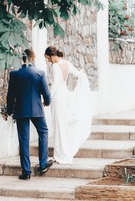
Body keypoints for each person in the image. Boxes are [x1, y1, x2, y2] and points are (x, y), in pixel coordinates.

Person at [6, 49, 53, 180]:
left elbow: (11, 96)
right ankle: (43, 163)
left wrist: (10, 110)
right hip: (37, 110)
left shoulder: (15, 74)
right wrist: (47, 102)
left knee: (23, 139)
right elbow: (47, 94)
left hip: (20, 111)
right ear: (33, 58)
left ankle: (26, 171)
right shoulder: (39, 73)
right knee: (43, 132)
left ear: (22, 59)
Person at [44, 46, 92, 164]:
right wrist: (82, 73)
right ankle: (64, 152)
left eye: (48, 58)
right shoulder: (67, 63)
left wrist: (47, 98)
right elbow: (78, 75)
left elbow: (55, 84)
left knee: (58, 126)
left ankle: (60, 154)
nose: (48, 60)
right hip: (65, 95)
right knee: (63, 125)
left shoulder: (55, 66)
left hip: (58, 98)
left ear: (51, 55)